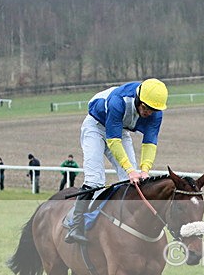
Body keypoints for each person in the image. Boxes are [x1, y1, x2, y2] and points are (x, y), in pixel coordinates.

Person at [65, 78, 168, 244]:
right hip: (96, 126)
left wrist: (144, 170)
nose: (148, 113)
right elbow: (113, 141)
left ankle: (126, 224)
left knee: (131, 181)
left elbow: (150, 142)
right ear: (138, 99)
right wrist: (130, 170)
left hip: (121, 130)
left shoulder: (156, 112)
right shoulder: (118, 101)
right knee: (95, 180)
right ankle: (75, 226)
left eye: (153, 110)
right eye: (145, 108)